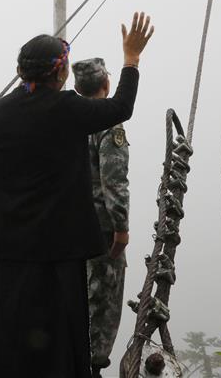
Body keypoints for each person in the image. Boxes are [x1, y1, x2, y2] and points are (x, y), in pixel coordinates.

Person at [0, 12, 154, 378]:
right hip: (58, 248)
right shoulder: (67, 108)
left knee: (8, 332)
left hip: (7, 248)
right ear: (59, 73)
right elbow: (121, 107)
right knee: (58, 337)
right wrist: (131, 59)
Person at [72, 57, 130, 378]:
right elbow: (114, 179)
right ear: (106, 86)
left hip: (70, 224)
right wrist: (120, 228)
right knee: (104, 299)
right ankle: (94, 365)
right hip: (101, 226)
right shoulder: (108, 123)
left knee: (77, 293)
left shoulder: (66, 121)